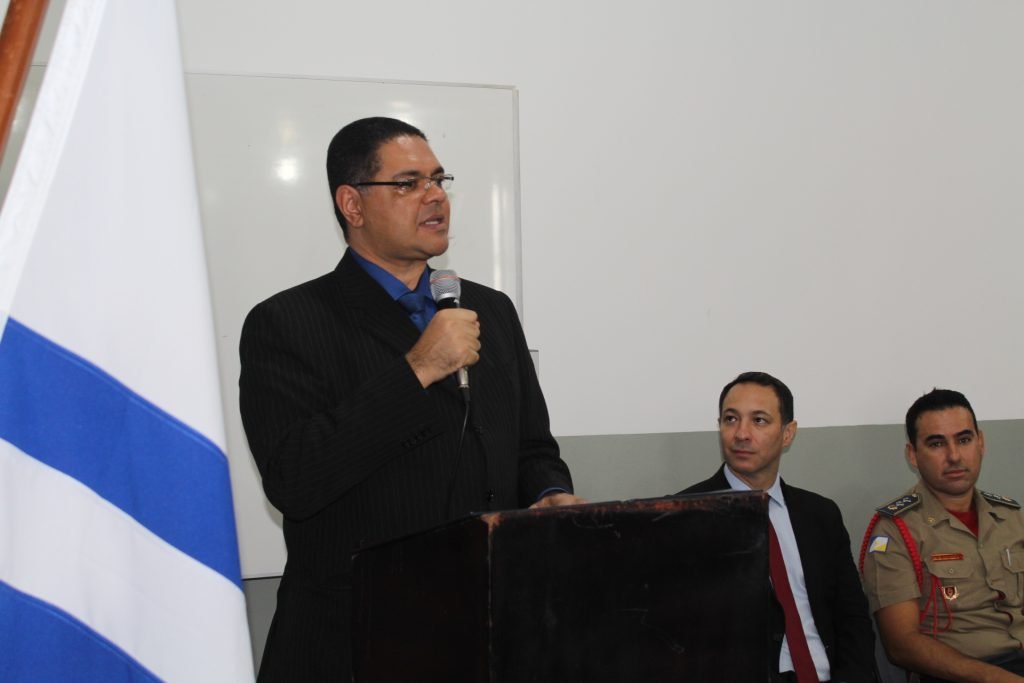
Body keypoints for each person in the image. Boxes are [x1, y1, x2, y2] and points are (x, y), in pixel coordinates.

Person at [238, 116, 582, 681]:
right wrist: (418, 368)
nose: (435, 196)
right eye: (408, 183)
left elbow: (531, 446)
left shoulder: (490, 309)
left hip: (484, 630)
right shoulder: (287, 322)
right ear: (352, 204)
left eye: (439, 180)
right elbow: (295, 479)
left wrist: (548, 493)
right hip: (358, 639)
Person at [680, 371, 877, 683]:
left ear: (788, 433)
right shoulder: (685, 515)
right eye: (731, 419)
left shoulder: (820, 515)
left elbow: (852, 617)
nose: (741, 433)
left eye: (759, 420)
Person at [860, 389, 1024, 682]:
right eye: (937, 444)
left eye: (964, 440)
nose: (954, 456)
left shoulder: (1011, 517)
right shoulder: (895, 531)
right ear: (913, 454)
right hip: (965, 675)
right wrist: (996, 679)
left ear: (981, 442)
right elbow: (901, 645)